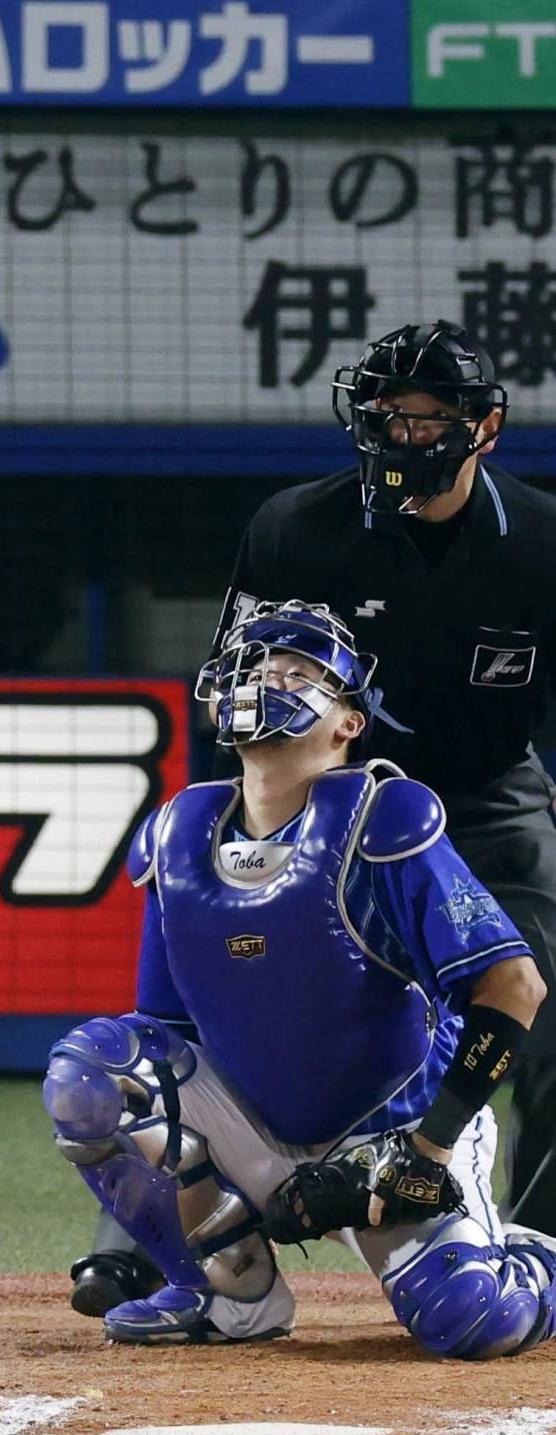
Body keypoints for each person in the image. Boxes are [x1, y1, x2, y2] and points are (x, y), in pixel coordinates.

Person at [71, 320, 556, 1317]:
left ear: (485, 429)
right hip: (322, 799)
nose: (402, 433)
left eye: (427, 418)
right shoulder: (293, 527)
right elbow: (241, 689)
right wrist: (228, 842)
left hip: (483, 799)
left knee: (541, 999)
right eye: (384, 413)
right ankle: (157, 1239)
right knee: (203, 996)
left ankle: (532, 1237)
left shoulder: (542, 543)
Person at [44, 599, 556, 1354]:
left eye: (295, 672)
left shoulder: (384, 819)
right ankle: (229, 1289)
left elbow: (515, 986)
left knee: (471, 1317)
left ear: (348, 722)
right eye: (253, 667)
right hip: (258, 1124)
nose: (265, 681)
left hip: (393, 1136)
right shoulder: (176, 833)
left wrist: (429, 1150)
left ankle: (529, 1260)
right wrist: (196, 1178)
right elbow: (166, 1034)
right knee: (93, 1072)